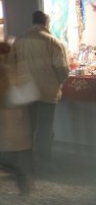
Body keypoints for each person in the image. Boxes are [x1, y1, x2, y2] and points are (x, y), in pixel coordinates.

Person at [8, 10, 69, 174]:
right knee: (44, 129)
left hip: (25, 92)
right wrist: (59, 81)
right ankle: (43, 162)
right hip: (47, 92)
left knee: (28, 128)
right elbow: (62, 70)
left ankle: (27, 161)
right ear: (46, 23)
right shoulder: (53, 42)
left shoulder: (19, 41)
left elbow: (11, 65)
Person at [0, 42, 32, 195]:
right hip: (10, 118)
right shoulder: (12, 68)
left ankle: (17, 182)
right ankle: (18, 183)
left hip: (0, 117)